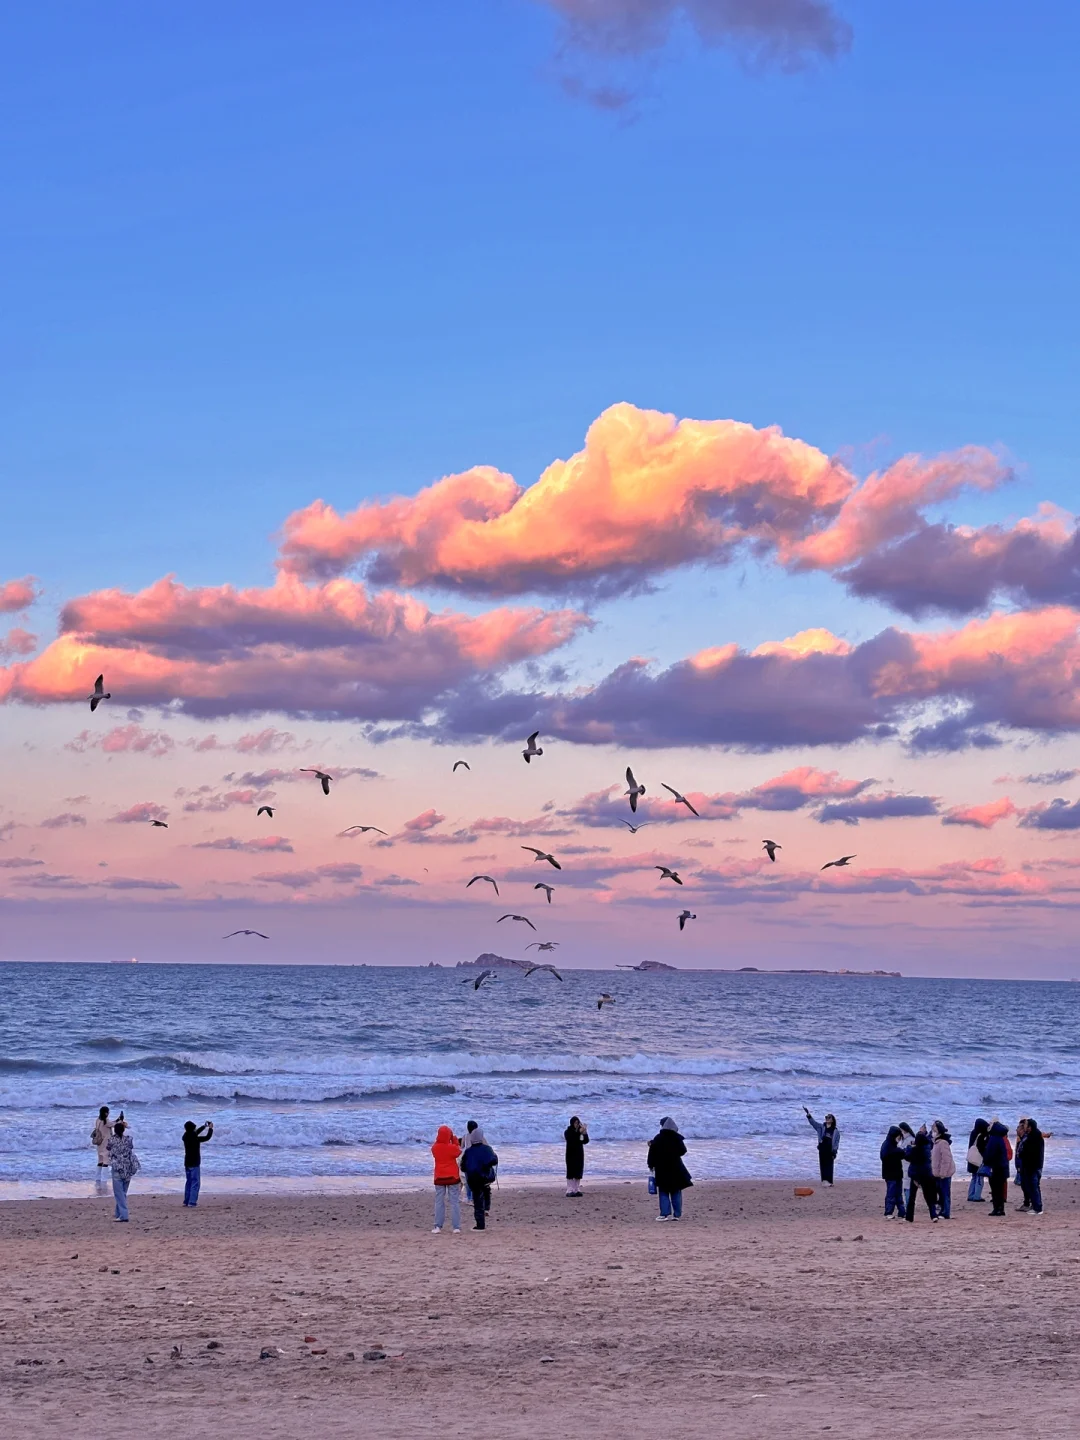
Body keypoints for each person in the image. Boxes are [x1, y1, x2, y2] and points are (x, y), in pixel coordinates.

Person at [647, 1117, 692, 1222]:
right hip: (676, 1167)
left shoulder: (658, 1138)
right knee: (676, 1191)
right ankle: (677, 1215)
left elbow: (652, 1153)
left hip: (662, 1168)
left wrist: (651, 1165)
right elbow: (683, 1151)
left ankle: (664, 1214)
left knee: (663, 1191)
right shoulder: (677, 1138)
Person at [460, 1128, 498, 1230]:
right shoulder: (487, 1149)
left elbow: (463, 1167)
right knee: (485, 1191)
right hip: (486, 1178)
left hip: (473, 1179)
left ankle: (480, 1225)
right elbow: (494, 1161)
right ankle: (486, 1208)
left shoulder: (468, 1152)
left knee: (477, 1201)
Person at [904, 1124, 939, 1223]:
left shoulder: (914, 1150)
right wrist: (924, 1132)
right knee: (928, 1196)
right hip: (926, 1175)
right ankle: (933, 1215)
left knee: (912, 1197)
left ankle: (909, 1217)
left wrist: (909, 1147)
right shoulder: (927, 1148)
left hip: (915, 1175)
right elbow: (927, 1140)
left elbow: (907, 1156)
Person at [431, 1124, 462, 1233]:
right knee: (454, 1202)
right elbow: (458, 1151)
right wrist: (454, 1140)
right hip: (452, 1176)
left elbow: (435, 1146)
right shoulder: (451, 1148)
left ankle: (438, 1226)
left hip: (439, 1176)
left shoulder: (435, 1148)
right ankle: (456, 1227)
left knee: (439, 1201)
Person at [107, 1119, 140, 1223]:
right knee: (123, 1193)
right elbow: (131, 1147)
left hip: (117, 1167)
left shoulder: (111, 1140)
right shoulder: (129, 1139)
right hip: (128, 1167)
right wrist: (125, 1125)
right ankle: (119, 1213)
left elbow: (108, 1149)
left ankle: (124, 1215)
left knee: (119, 1193)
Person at [1016, 1117, 1045, 1217]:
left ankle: (1037, 1208)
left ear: (1030, 1127)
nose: (1024, 1127)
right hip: (1031, 1165)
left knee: (1034, 1186)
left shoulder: (1034, 1137)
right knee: (1032, 1186)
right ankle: (1035, 1206)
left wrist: (1022, 1154)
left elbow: (1030, 1152)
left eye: (1026, 1125)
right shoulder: (1032, 1136)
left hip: (1033, 1166)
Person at [803, 1107, 839, 1186]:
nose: (827, 1118)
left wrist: (835, 1151)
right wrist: (808, 1114)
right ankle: (824, 1181)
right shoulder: (821, 1127)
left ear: (832, 1120)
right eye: (826, 1117)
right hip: (822, 1147)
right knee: (823, 1165)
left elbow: (836, 1142)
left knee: (830, 1165)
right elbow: (813, 1123)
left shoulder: (835, 1131)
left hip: (830, 1149)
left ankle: (829, 1182)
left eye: (829, 1117)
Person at [982, 1119, 1011, 1217]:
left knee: (995, 1189)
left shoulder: (993, 1139)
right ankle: (1000, 1209)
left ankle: (996, 1209)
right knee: (999, 1189)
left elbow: (989, 1154)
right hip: (1002, 1167)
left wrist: (985, 1161)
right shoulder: (1001, 1138)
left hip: (995, 1168)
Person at [182, 1120, 213, 1207]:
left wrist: (204, 1126)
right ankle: (192, 1202)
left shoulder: (185, 1136)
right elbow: (207, 1137)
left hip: (187, 1162)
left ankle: (186, 1201)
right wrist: (210, 1129)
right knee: (195, 1182)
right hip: (195, 1162)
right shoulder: (195, 1138)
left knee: (189, 1182)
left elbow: (195, 1132)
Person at [879, 1125, 906, 1219]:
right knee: (891, 1193)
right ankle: (888, 1212)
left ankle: (902, 1212)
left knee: (898, 1193)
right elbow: (884, 1156)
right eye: (898, 1136)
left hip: (897, 1173)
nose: (899, 1139)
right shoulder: (887, 1145)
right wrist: (898, 1152)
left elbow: (902, 1154)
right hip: (890, 1174)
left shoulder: (892, 1146)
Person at [930, 1120, 956, 1219]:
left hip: (944, 1173)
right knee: (941, 1193)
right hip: (937, 1173)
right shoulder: (936, 1142)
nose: (932, 1130)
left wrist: (943, 1173)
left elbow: (946, 1159)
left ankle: (946, 1212)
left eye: (934, 1128)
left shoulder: (943, 1143)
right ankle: (943, 1211)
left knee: (945, 1193)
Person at [564, 1116, 589, 1198]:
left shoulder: (580, 1132)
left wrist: (584, 1133)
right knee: (571, 1171)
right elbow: (571, 1140)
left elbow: (585, 1141)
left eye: (578, 1123)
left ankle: (576, 1189)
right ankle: (569, 1190)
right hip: (570, 1154)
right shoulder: (568, 1132)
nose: (577, 1125)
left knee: (578, 1171)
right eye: (575, 1123)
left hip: (579, 1153)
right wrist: (579, 1132)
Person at [966, 1117, 990, 1202]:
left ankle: (970, 1195)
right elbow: (981, 1148)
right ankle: (977, 1196)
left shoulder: (973, 1133)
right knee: (979, 1178)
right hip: (978, 1160)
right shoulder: (981, 1135)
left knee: (974, 1177)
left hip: (971, 1159)